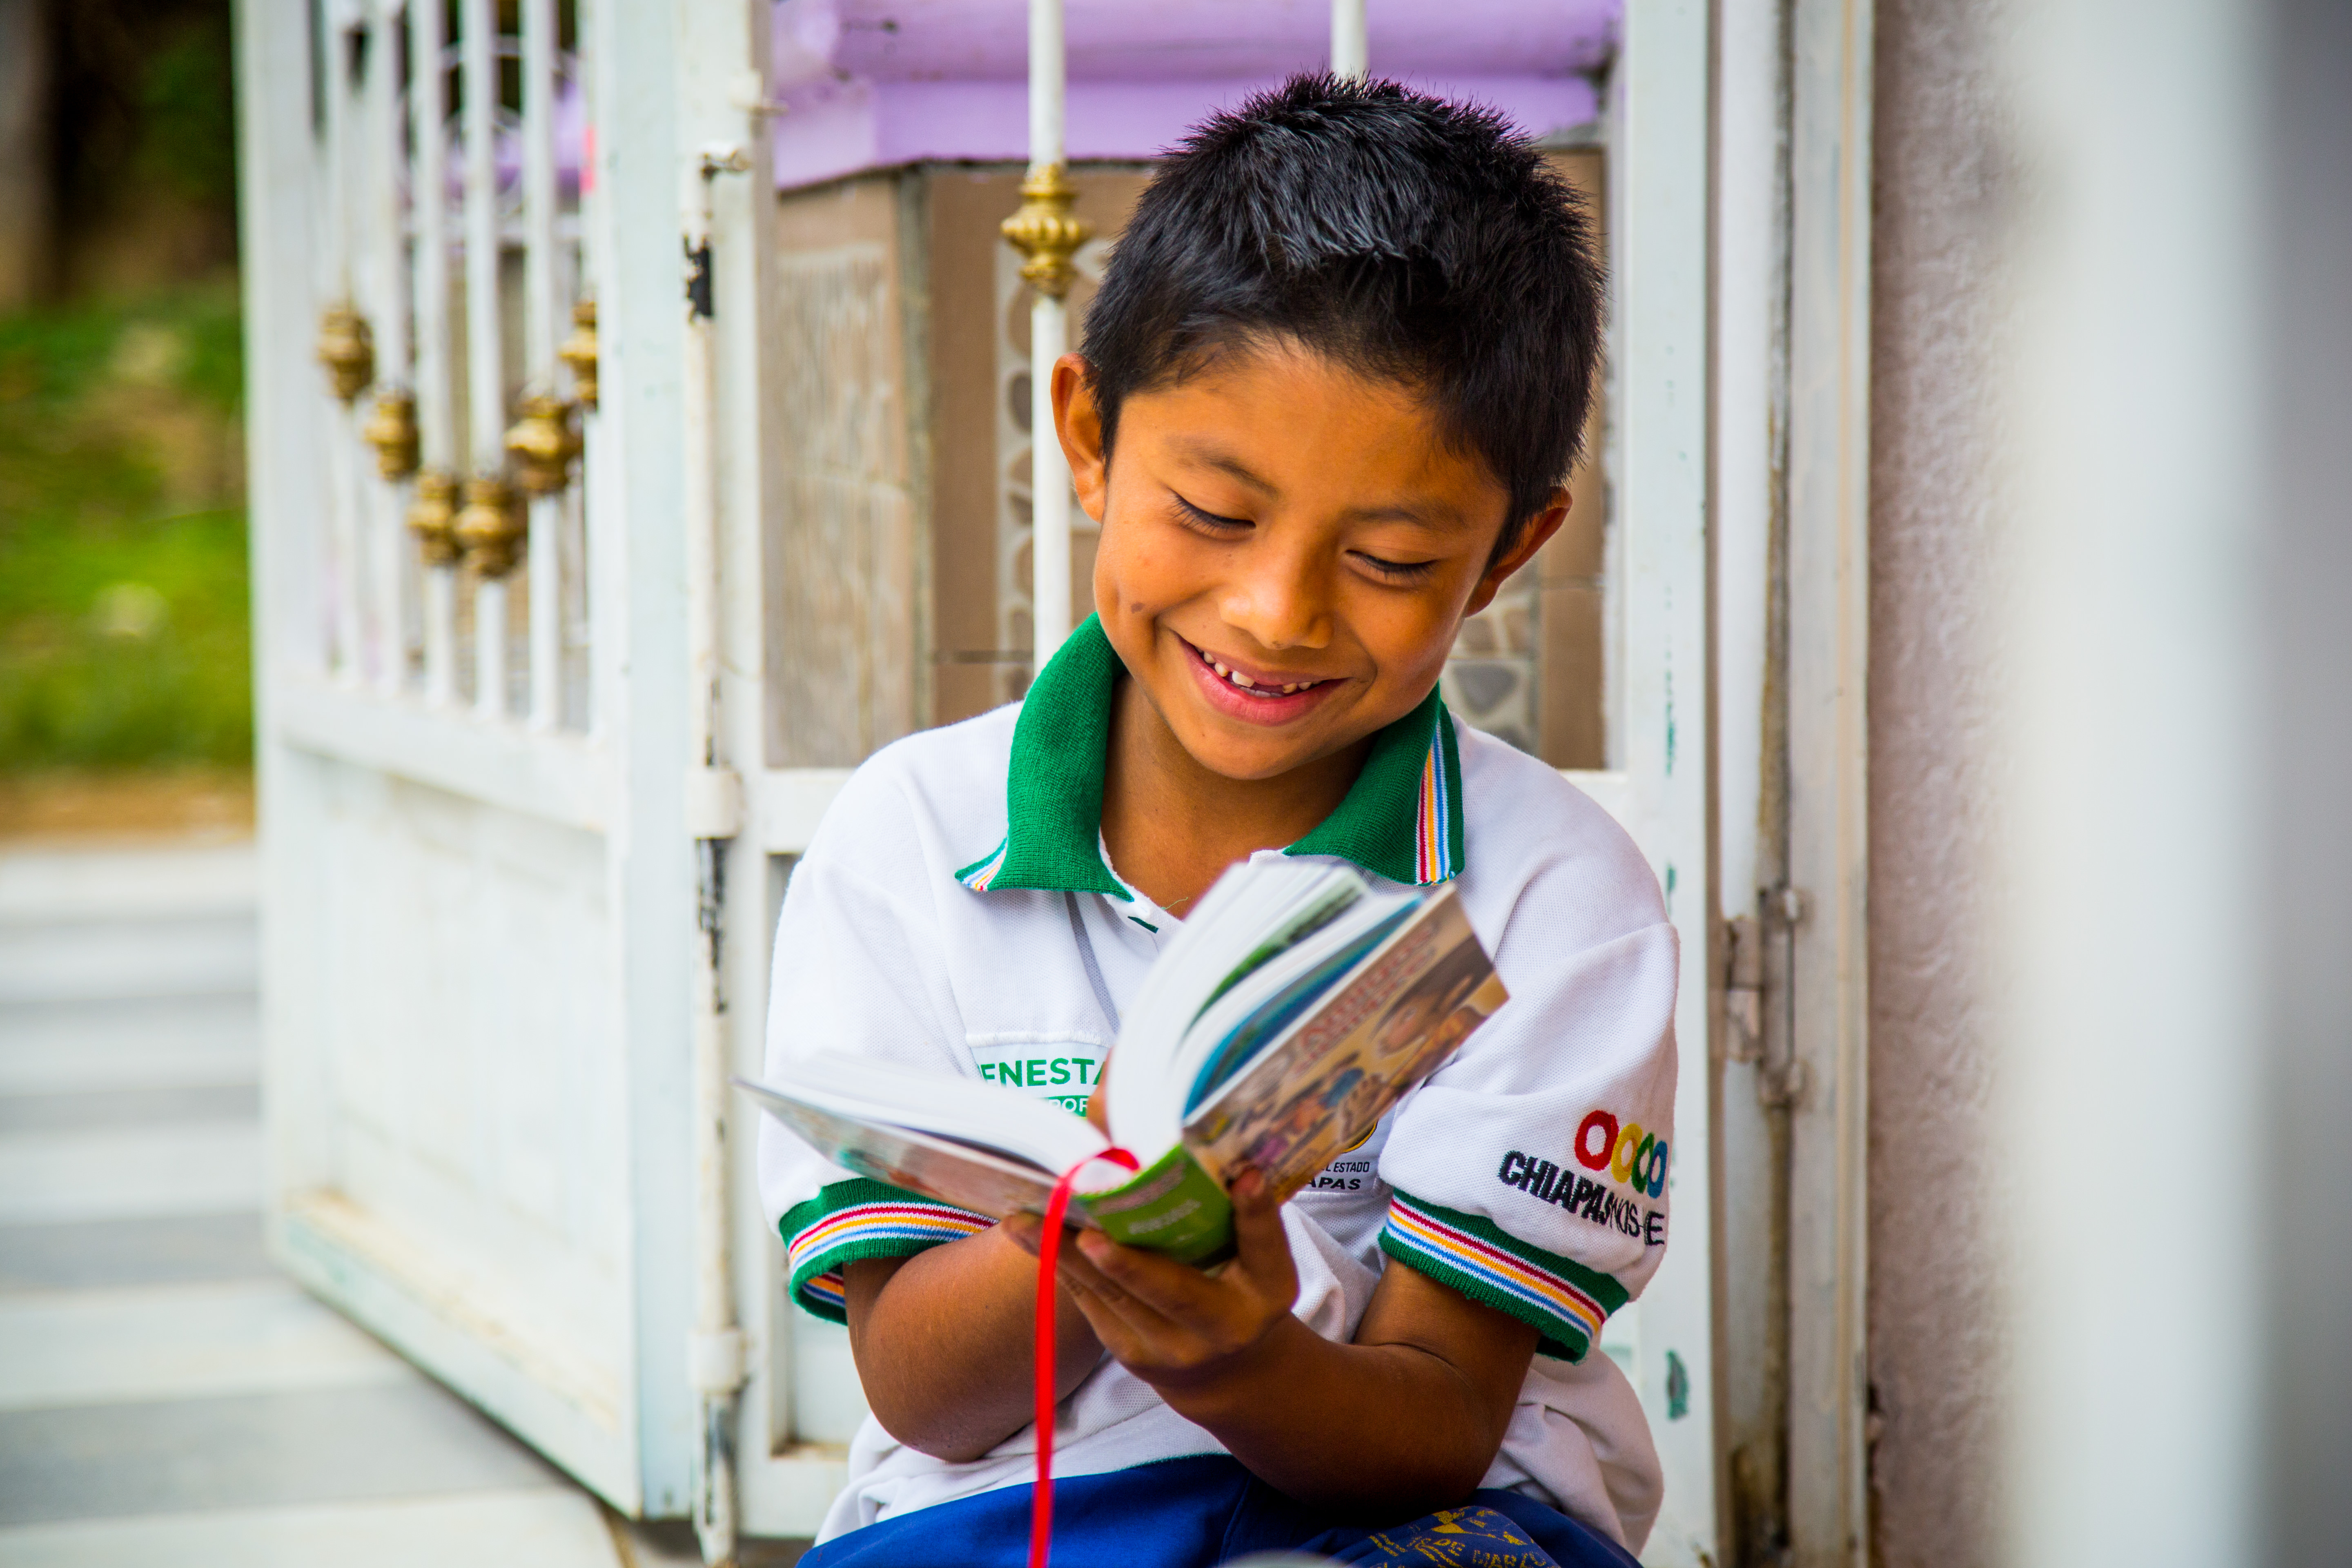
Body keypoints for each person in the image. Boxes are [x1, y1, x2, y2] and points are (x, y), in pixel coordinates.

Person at [758, 74, 1679, 1568]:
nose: (1277, 611)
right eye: (1215, 511)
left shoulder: (1553, 899)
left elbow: (1443, 1418)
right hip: (1010, 1517)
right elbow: (923, 1391)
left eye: (1387, 557)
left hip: (1429, 1520)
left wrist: (1237, 1356)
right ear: (1089, 434)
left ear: (1510, 552)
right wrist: (1096, 1223)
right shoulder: (909, 839)